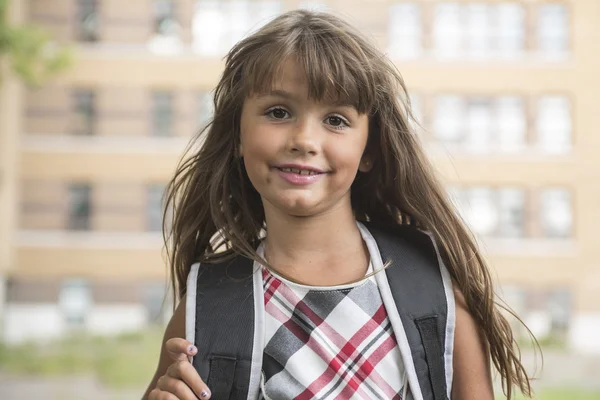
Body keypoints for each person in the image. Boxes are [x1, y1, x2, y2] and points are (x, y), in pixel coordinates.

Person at [143, 9, 535, 400]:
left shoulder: (434, 286)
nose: (304, 139)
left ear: (369, 148)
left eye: (335, 120)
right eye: (278, 112)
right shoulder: (208, 305)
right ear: (238, 135)